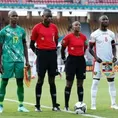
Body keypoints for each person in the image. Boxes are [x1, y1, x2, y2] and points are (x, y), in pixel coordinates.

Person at [30, 9, 60, 112]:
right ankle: (37, 106)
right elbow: (31, 44)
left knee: (52, 81)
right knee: (40, 80)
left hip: (52, 55)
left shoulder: (54, 27)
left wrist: (52, 50)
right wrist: (38, 54)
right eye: (47, 16)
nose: (49, 18)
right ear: (43, 16)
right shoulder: (36, 28)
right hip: (41, 55)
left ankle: (55, 105)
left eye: (51, 17)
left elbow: (56, 41)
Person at [0, 10, 30, 113]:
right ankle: (0, 105)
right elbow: (0, 48)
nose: (15, 17)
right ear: (9, 17)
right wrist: (0, 63)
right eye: (13, 16)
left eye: (17, 16)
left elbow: (25, 45)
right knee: (4, 82)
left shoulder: (21, 31)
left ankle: (21, 105)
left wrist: (27, 60)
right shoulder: (3, 31)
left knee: (20, 82)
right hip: (7, 60)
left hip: (19, 61)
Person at [89, 15, 118, 110]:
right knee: (95, 83)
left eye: (107, 19)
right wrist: (96, 57)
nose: (106, 21)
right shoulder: (94, 34)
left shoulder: (111, 34)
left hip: (108, 63)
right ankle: (93, 105)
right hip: (98, 63)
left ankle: (113, 103)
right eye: (103, 19)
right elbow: (90, 49)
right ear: (99, 21)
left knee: (111, 83)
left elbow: (113, 47)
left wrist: (114, 56)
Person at [61, 21, 88, 111]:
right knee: (69, 83)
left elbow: (85, 47)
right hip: (71, 61)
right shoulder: (68, 37)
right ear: (72, 27)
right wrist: (64, 58)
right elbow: (63, 48)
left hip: (80, 61)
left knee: (80, 83)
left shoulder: (84, 37)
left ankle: (80, 103)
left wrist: (80, 55)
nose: (78, 26)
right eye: (76, 25)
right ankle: (66, 106)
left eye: (79, 25)